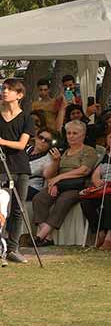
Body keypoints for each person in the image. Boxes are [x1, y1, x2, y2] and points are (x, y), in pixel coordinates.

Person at [32, 120, 98, 245]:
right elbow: (48, 175)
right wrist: (56, 162)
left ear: (83, 135)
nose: (71, 136)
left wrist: (59, 178)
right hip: (61, 184)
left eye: (75, 133)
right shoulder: (63, 151)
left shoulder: (88, 151)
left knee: (64, 199)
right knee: (40, 198)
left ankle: (40, 235)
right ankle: (48, 237)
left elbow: (83, 170)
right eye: (68, 133)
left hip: (77, 186)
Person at [0, 78, 34, 263]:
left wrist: (2, 142)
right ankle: (1, 247)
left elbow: (22, 144)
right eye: (4, 88)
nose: (5, 91)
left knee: (18, 209)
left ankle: (13, 248)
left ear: (19, 95)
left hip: (20, 167)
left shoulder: (26, 118)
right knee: (1, 209)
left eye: (10, 89)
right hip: (1, 168)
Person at [27, 129, 54, 200]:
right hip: (15, 182)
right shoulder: (25, 148)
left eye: (47, 140)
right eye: (41, 137)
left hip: (32, 186)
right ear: (36, 137)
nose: (42, 141)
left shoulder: (49, 158)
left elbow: (47, 175)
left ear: (51, 144)